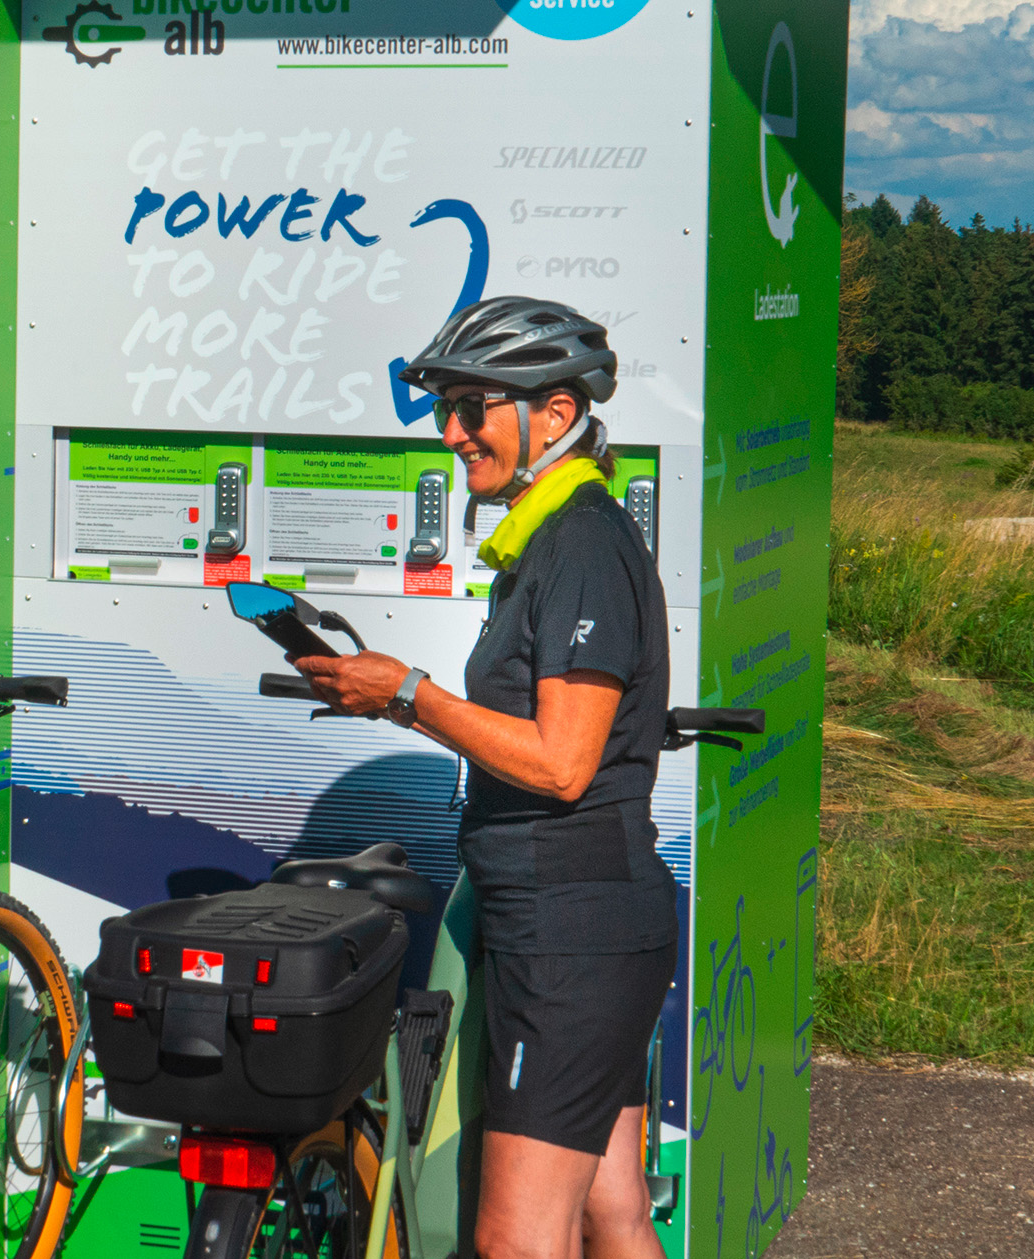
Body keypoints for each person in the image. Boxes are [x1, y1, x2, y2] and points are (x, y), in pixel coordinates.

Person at [294, 297, 673, 1259]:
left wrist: (407, 693)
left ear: (555, 414)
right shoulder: (547, 540)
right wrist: (392, 696)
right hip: (576, 920)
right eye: (445, 410)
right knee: (610, 1207)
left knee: (514, 1238)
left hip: (570, 932)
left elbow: (561, 762)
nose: (452, 432)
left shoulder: (580, 544)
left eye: (473, 408)